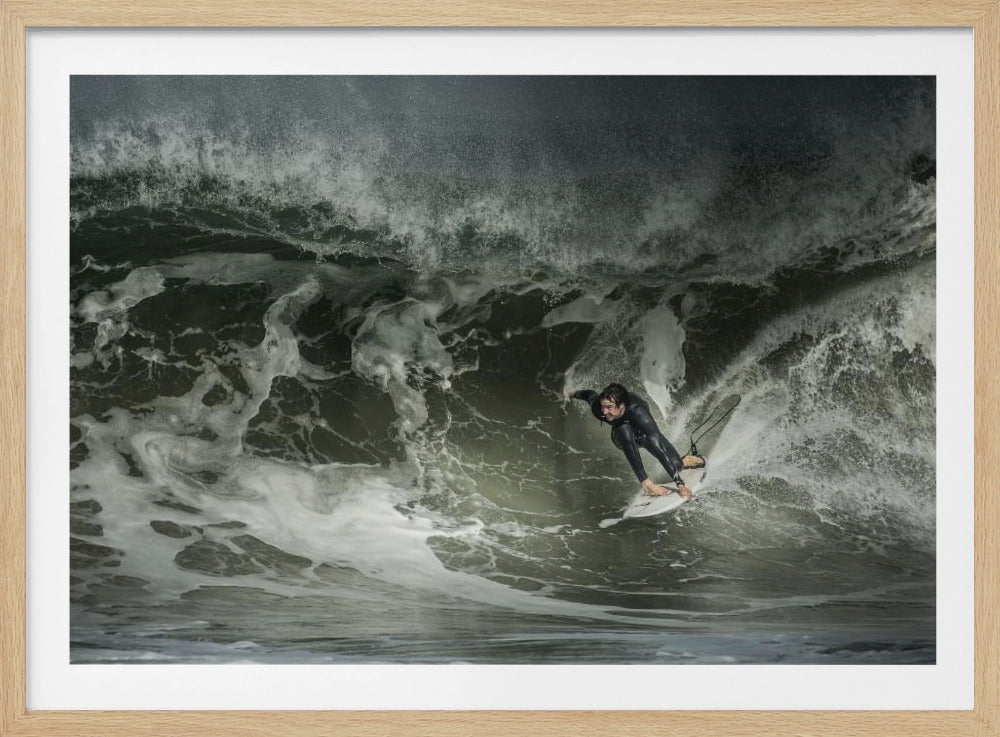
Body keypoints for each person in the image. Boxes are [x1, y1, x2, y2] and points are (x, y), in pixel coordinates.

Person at [570, 383, 703, 499]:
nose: (604, 412)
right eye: (603, 406)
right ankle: (647, 484)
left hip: (644, 434)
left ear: (621, 406)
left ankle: (682, 461)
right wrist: (573, 393)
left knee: (677, 465)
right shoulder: (598, 407)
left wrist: (680, 484)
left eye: (609, 407)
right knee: (624, 429)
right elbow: (590, 395)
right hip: (621, 437)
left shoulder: (639, 413)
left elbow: (658, 446)